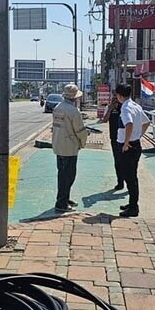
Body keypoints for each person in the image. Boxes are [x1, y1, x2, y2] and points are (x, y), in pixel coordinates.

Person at [51, 83, 89, 213]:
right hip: (69, 147)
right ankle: (61, 203)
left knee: (62, 175)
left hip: (58, 145)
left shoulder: (57, 108)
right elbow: (80, 131)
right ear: (75, 98)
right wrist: (83, 142)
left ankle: (64, 198)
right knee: (68, 176)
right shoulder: (73, 111)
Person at [116, 83, 151, 217]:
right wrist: (138, 136)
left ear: (119, 95)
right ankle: (131, 203)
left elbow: (129, 124)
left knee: (130, 178)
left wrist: (126, 142)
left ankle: (133, 207)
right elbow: (146, 122)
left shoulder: (125, 108)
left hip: (128, 147)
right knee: (131, 176)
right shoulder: (136, 106)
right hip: (135, 144)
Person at [101, 95, 126, 191]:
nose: (115, 102)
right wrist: (110, 109)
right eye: (113, 99)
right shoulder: (109, 108)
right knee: (117, 161)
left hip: (125, 138)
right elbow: (104, 120)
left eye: (117, 99)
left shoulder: (124, 107)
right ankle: (120, 182)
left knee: (127, 162)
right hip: (114, 138)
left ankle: (129, 182)